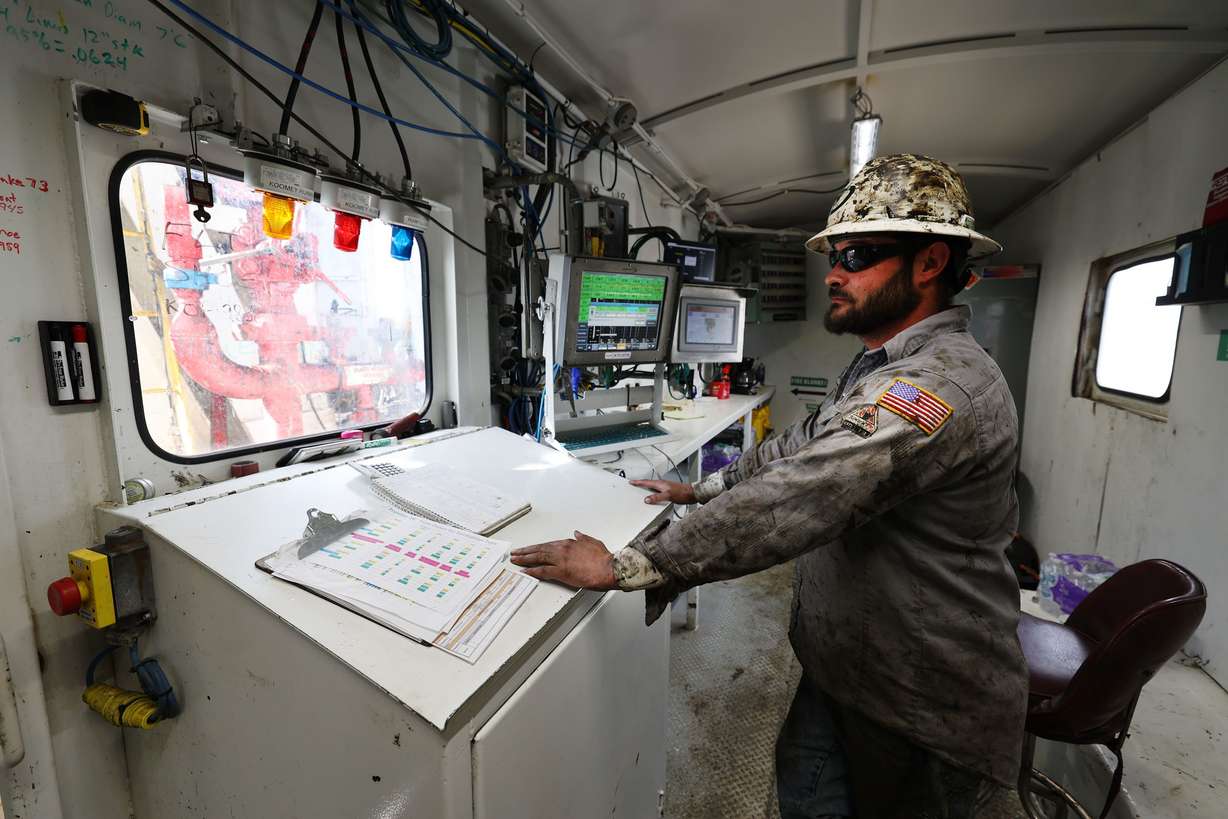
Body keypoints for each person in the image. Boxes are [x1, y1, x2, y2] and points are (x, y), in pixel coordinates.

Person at [511, 154, 1028, 818]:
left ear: (929, 265)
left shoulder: (940, 382)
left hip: (923, 707)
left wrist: (637, 562)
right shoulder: (882, 364)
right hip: (846, 673)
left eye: (859, 254)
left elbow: (810, 488)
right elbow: (799, 444)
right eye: (833, 256)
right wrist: (703, 489)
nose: (835, 274)